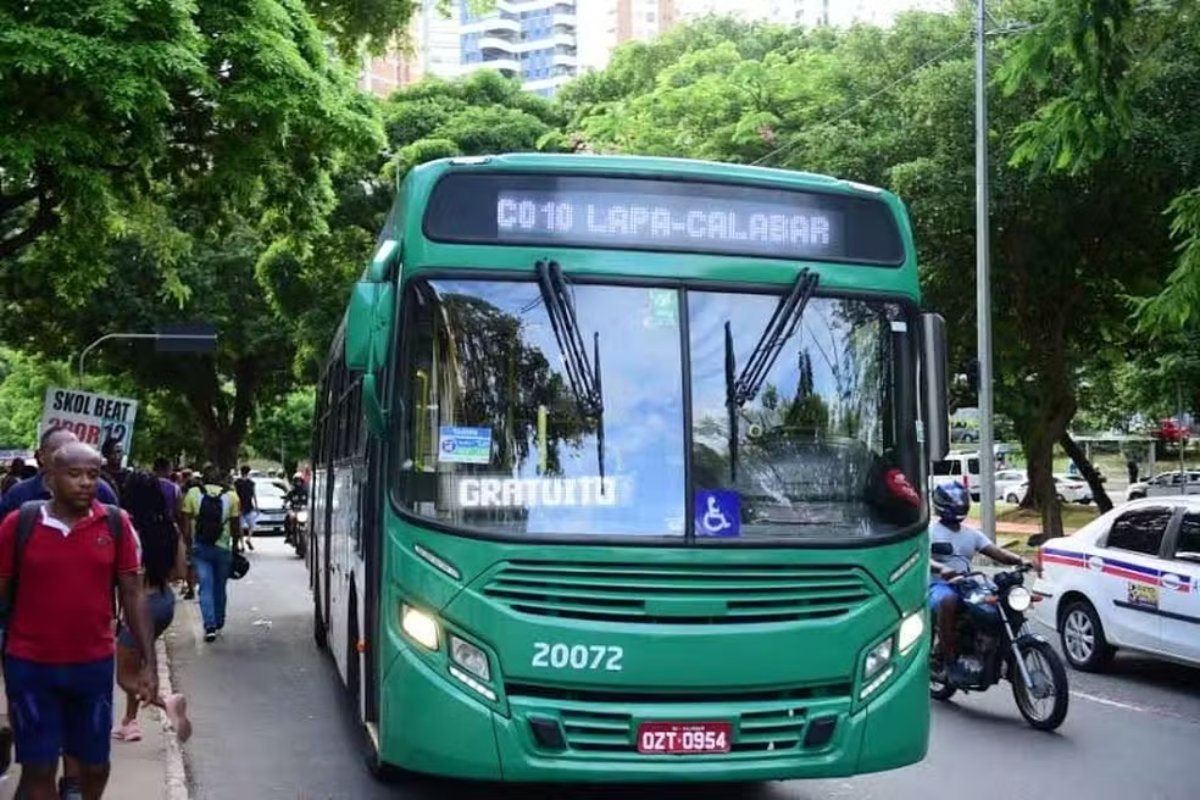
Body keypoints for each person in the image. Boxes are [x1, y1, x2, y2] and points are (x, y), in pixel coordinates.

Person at [0, 442, 158, 800]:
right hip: (30, 667)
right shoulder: (19, 524)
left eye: (92, 474)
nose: (86, 482)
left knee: (95, 766)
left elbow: (133, 594)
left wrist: (149, 663)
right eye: (74, 474)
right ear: (49, 479)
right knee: (38, 769)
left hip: (92, 667)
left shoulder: (115, 524)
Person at [110, 471, 191, 745]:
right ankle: (129, 722)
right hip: (165, 601)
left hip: (139, 604)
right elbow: (180, 571)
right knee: (142, 662)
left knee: (124, 675)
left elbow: (123, 580)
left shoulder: (126, 529)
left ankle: (166, 702)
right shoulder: (171, 528)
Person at [927, 482, 1032, 685]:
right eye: (952, 502)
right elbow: (922, 557)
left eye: (960, 501)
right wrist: (941, 568)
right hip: (938, 585)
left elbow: (996, 552)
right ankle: (948, 660)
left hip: (966, 583)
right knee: (948, 601)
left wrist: (1021, 560)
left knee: (1000, 600)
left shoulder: (971, 534)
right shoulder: (931, 532)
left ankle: (997, 650)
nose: (957, 505)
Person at [0, 429, 120, 521]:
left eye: (74, 451)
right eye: (59, 451)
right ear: (42, 456)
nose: (68, 458)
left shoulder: (101, 491)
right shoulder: (19, 494)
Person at [181, 465, 242, 642]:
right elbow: (236, 526)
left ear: (203, 479)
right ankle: (219, 619)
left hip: (200, 549)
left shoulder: (193, 493)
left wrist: (187, 545)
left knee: (205, 586)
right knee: (220, 586)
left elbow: (185, 523)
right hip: (223, 549)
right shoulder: (231, 497)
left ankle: (209, 625)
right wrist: (236, 545)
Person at [233, 466, 257, 552]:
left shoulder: (236, 482)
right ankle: (249, 539)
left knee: (240, 527)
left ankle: (242, 545)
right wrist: (256, 506)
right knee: (251, 525)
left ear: (241, 472)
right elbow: (254, 495)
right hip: (249, 506)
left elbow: (235, 495)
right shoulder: (251, 483)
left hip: (239, 507)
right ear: (248, 472)